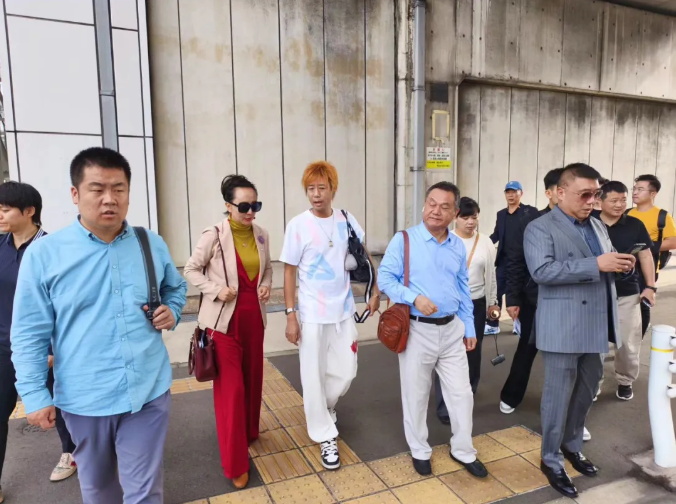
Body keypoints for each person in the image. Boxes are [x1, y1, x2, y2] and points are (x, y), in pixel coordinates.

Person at [10, 147, 187, 504]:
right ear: (75, 194)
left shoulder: (150, 243)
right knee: (99, 489)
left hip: (147, 390)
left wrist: (172, 309)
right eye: (97, 189)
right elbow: (29, 332)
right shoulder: (45, 254)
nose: (110, 199)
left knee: (144, 492)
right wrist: (34, 394)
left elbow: (175, 287)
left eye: (119, 189)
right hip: (84, 398)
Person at [524, 163, 634, 498]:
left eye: (595, 194)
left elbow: (604, 264)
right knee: (557, 398)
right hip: (563, 326)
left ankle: (572, 445)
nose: (592, 201)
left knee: (586, 393)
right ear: (560, 193)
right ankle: (551, 458)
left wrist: (621, 267)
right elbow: (542, 271)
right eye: (584, 194)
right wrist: (596, 264)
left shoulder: (597, 225)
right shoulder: (539, 227)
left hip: (597, 324)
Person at [379, 182, 487, 479]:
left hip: (452, 330)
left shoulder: (456, 245)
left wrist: (469, 326)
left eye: (444, 206)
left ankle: (463, 449)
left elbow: (463, 288)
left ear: (454, 213)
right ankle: (419, 450)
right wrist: (414, 298)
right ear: (424, 205)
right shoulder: (404, 240)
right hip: (417, 330)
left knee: (462, 394)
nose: (435, 211)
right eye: (431, 203)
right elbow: (385, 278)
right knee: (416, 395)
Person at [280, 161, 380, 470]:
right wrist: (291, 315)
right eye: (310, 188)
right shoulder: (298, 225)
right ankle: (325, 435)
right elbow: (289, 272)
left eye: (321, 188)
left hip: (343, 311)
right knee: (313, 375)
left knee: (345, 371)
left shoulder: (346, 219)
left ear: (333, 189)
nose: (316, 194)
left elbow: (363, 254)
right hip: (311, 314)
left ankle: (324, 407)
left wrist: (375, 290)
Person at [184, 174, 272, 489]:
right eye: (244, 206)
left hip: (254, 321)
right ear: (228, 205)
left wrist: (265, 285)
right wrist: (216, 289)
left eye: (255, 205)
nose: (250, 212)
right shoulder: (214, 235)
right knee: (231, 392)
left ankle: (249, 431)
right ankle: (235, 463)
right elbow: (191, 269)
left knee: (253, 380)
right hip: (223, 325)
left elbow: (268, 269)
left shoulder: (261, 234)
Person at [0, 182, 77, 503]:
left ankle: (71, 452)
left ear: (29, 211)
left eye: (5, 210)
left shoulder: (52, 250)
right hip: (5, 347)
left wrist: (53, 351)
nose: (0, 215)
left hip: (46, 348)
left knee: (61, 407)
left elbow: (67, 304)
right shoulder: (0, 246)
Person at [498, 168, 563, 415]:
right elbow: (516, 260)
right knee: (526, 348)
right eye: (561, 190)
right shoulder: (533, 221)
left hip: (570, 302)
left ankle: (564, 407)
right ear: (550, 193)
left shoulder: (586, 224)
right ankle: (511, 395)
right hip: (534, 299)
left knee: (566, 355)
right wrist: (513, 298)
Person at [435, 197, 498, 422]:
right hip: (450, 306)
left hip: (476, 304)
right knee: (447, 354)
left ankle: (467, 394)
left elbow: (491, 275)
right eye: (465, 217)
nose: (470, 222)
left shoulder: (485, 242)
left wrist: (493, 302)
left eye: (474, 217)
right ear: (455, 218)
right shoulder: (446, 240)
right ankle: (444, 405)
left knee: (473, 350)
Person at [593, 181, 655, 401]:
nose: (620, 205)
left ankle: (625, 381)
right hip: (595, 292)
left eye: (623, 200)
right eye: (614, 200)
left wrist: (650, 287)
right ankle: (593, 383)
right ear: (600, 201)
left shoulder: (635, 224)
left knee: (628, 342)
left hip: (627, 292)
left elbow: (645, 256)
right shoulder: (589, 222)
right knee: (595, 343)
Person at [486, 181, 537, 336]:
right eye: (508, 192)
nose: (511, 195)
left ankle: (517, 323)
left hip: (522, 262)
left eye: (514, 192)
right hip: (503, 261)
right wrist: (483, 242)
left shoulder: (529, 212)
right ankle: (493, 324)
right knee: (496, 291)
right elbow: (496, 234)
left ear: (521, 193)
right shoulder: (501, 214)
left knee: (518, 293)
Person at [628, 174, 676, 336]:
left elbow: (673, 241)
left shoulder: (662, 216)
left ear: (653, 193)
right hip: (625, 265)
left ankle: (638, 337)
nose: (635, 192)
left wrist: (644, 247)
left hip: (647, 268)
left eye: (640, 189)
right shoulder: (627, 213)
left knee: (642, 303)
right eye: (634, 188)